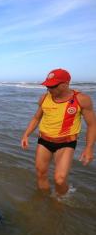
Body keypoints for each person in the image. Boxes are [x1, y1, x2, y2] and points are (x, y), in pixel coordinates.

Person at [21, 68, 95, 196]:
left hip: (66, 143)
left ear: (65, 84)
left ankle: (60, 202)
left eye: (52, 86)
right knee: (40, 173)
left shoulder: (81, 99)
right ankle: (44, 200)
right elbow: (36, 118)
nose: (49, 89)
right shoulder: (44, 98)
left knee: (60, 180)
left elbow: (92, 124)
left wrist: (89, 148)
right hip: (44, 141)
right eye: (47, 86)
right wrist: (26, 134)